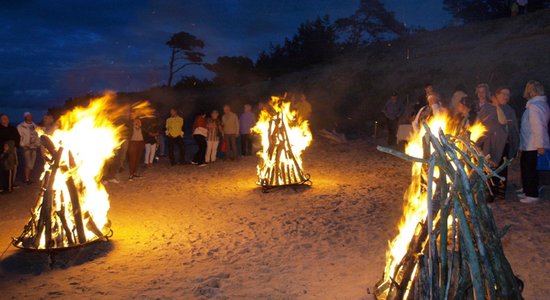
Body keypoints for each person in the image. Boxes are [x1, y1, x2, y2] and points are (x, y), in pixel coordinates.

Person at [518, 80, 549, 203]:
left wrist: (540, 145)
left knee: (530, 169)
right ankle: (527, 190)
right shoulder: (539, 104)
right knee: (526, 167)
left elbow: (538, 126)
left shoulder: (535, 106)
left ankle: (532, 194)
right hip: (529, 143)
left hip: (533, 144)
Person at [493, 87, 520, 197]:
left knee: (502, 168)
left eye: (507, 95)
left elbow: (511, 127)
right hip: (492, 144)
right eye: (503, 94)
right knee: (492, 167)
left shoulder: (509, 110)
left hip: (504, 143)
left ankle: (501, 191)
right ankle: (491, 191)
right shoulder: (489, 108)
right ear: (497, 95)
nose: (505, 96)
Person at [476, 83, 507, 167]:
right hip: (479, 138)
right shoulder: (474, 106)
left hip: (492, 139)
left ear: (487, 93)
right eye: (479, 92)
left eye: (483, 92)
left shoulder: (492, 106)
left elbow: (502, 122)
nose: (481, 94)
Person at [17, 112, 40, 184]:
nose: (29, 117)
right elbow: (18, 137)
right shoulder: (20, 126)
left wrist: (38, 144)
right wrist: (23, 144)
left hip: (34, 147)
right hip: (26, 147)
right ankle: (26, 179)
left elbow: (38, 135)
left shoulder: (34, 125)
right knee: (28, 164)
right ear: (25, 117)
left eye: (30, 115)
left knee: (31, 164)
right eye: (27, 116)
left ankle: (28, 178)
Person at [0, 114, 20, 191]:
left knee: (12, 167)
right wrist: (3, 147)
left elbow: (17, 138)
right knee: (3, 169)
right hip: (2, 151)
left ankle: (10, 185)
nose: (5, 120)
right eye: (3, 118)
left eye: (6, 118)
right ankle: (3, 186)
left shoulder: (12, 128)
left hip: (11, 151)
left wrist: (13, 145)